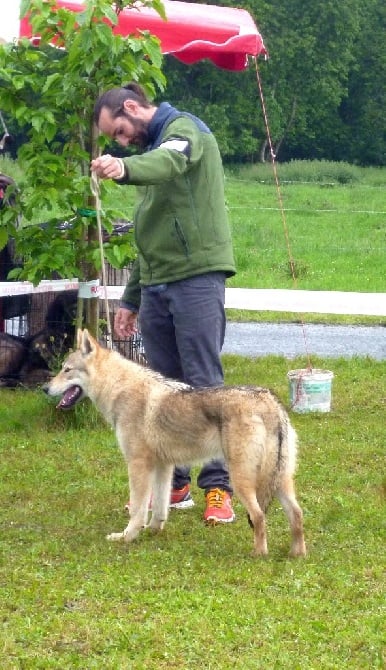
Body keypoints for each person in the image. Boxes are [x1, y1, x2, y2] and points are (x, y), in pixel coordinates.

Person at [91, 82, 236, 524]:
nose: (121, 140)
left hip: (195, 276)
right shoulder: (150, 152)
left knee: (204, 383)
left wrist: (124, 165)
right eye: (116, 140)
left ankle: (219, 489)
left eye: (118, 130)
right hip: (155, 283)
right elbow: (150, 238)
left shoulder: (184, 131)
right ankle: (175, 485)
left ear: (132, 108)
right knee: (165, 389)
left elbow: (168, 161)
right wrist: (131, 298)